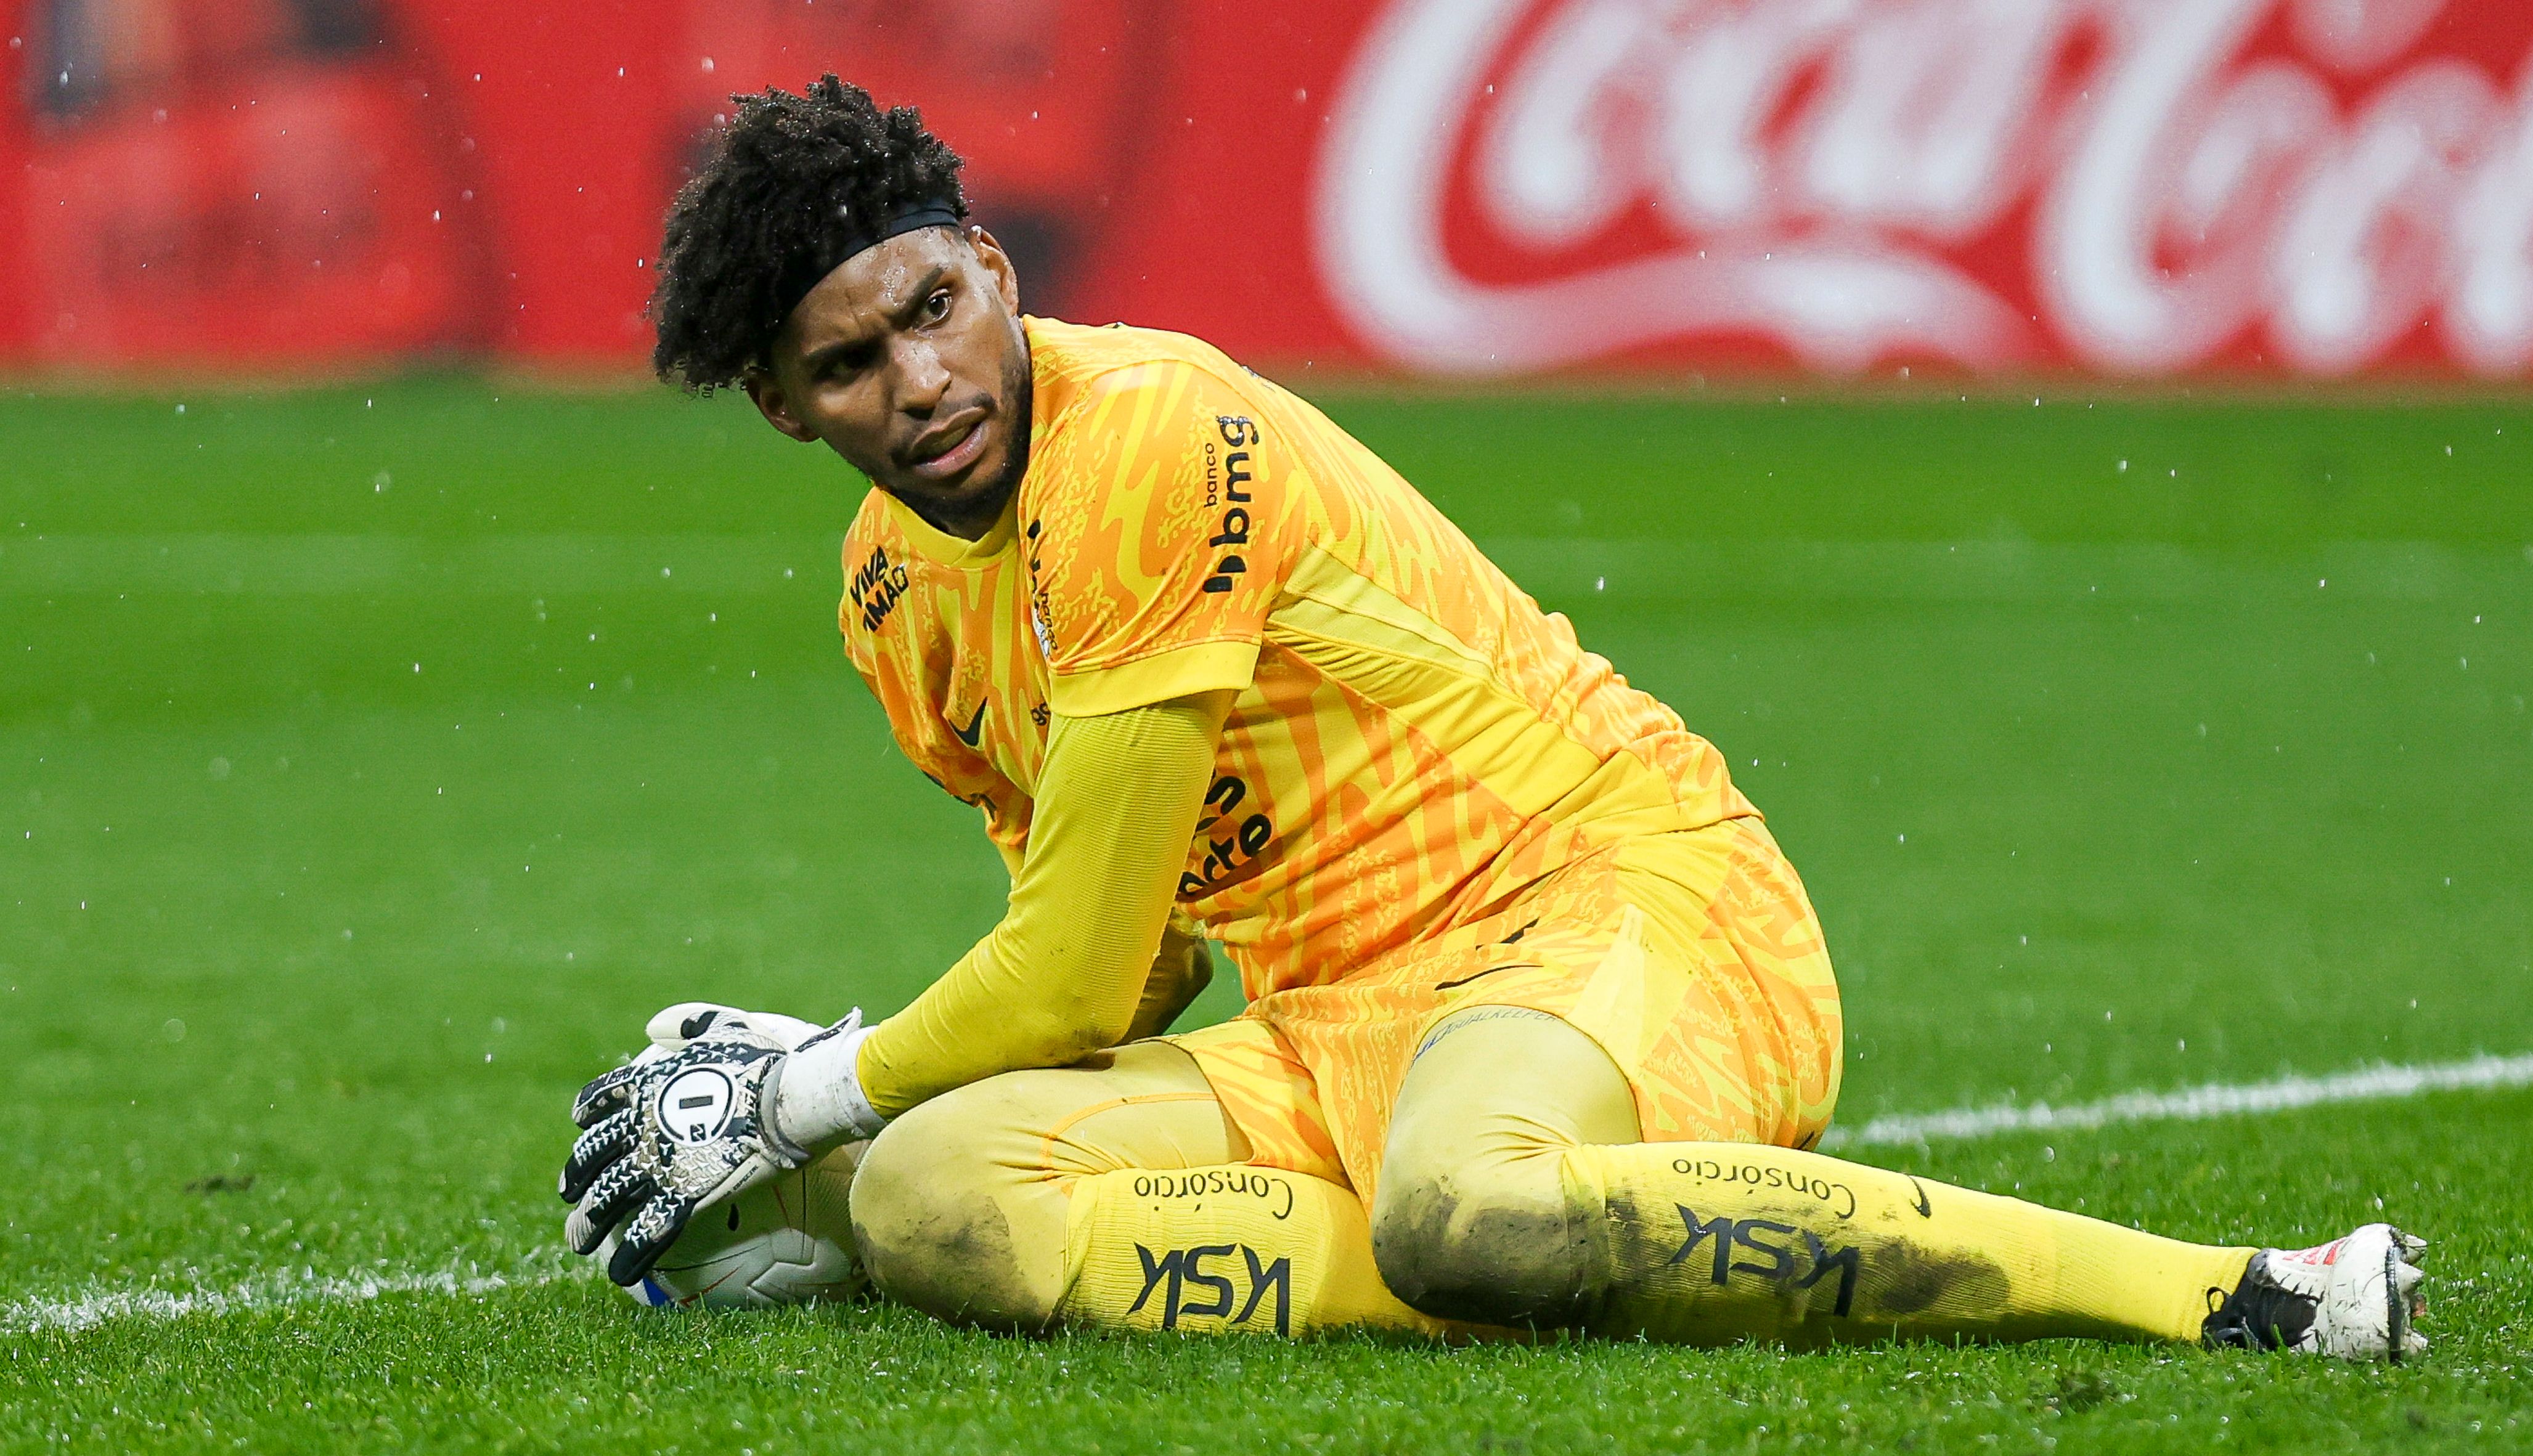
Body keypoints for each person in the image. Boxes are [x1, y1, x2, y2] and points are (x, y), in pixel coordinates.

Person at [556, 76, 2426, 1360]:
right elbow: (1126, 966)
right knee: (933, 1196)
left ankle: (2229, 1290)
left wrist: (801, 1083)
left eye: (934, 307)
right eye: (850, 363)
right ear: (787, 413)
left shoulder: (1141, 442)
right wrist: (870, 1098)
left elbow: (1057, 980)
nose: (923, 379)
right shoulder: (897, 602)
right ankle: (1521, 1245)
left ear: (998, 269)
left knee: (1461, 1204)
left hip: (1616, 905)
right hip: (1335, 1020)